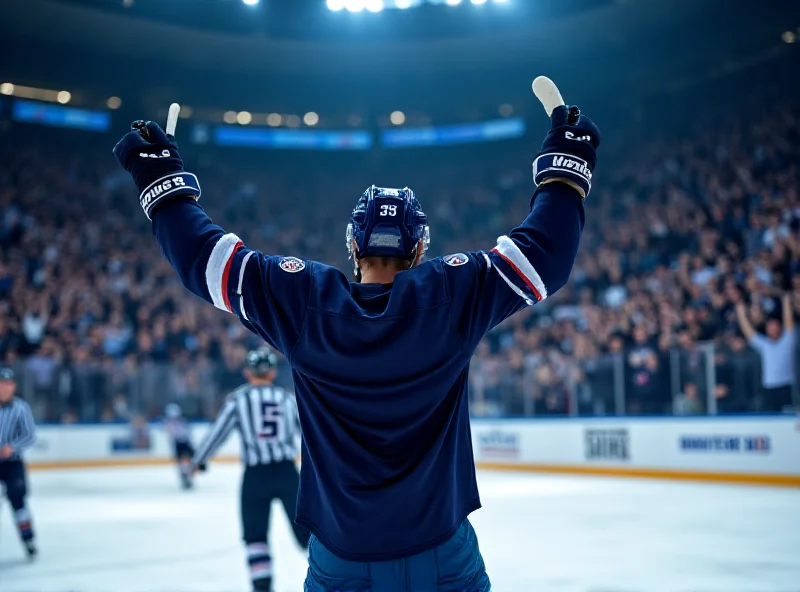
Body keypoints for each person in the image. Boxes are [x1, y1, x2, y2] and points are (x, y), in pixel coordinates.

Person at [113, 93, 599, 591]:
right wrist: (566, 161)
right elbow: (547, 254)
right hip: (442, 552)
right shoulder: (451, 294)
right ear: (419, 247)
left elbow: (204, 259)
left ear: (352, 244)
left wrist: (160, 175)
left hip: (344, 559)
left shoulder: (304, 300)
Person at [191, 347, 308, 592]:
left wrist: (199, 461)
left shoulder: (239, 400)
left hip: (255, 477)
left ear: (247, 373)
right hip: (287, 473)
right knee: (308, 534)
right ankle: (329, 580)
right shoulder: (287, 399)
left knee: (255, 538)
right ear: (273, 373)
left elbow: (217, 434)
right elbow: (308, 435)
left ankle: (262, 587)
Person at [736, 293, 796, 411]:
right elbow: (749, 333)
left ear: (780, 327)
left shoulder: (787, 341)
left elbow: (789, 323)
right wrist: (741, 313)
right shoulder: (765, 345)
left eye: (774, 325)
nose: (771, 328)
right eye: (769, 326)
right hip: (769, 388)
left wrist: (786, 303)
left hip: (786, 386)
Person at [0, 367, 37, 559]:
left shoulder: (21, 408)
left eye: (9, 384)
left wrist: (12, 447)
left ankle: (28, 539)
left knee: (19, 502)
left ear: (14, 386)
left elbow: (30, 436)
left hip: (13, 463)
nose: (5, 388)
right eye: (2, 384)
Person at [164, 402, 194, 490]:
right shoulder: (172, 422)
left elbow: (186, 432)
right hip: (180, 444)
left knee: (186, 462)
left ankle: (187, 476)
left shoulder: (182, 422)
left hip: (184, 443)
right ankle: (185, 477)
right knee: (182, 463)